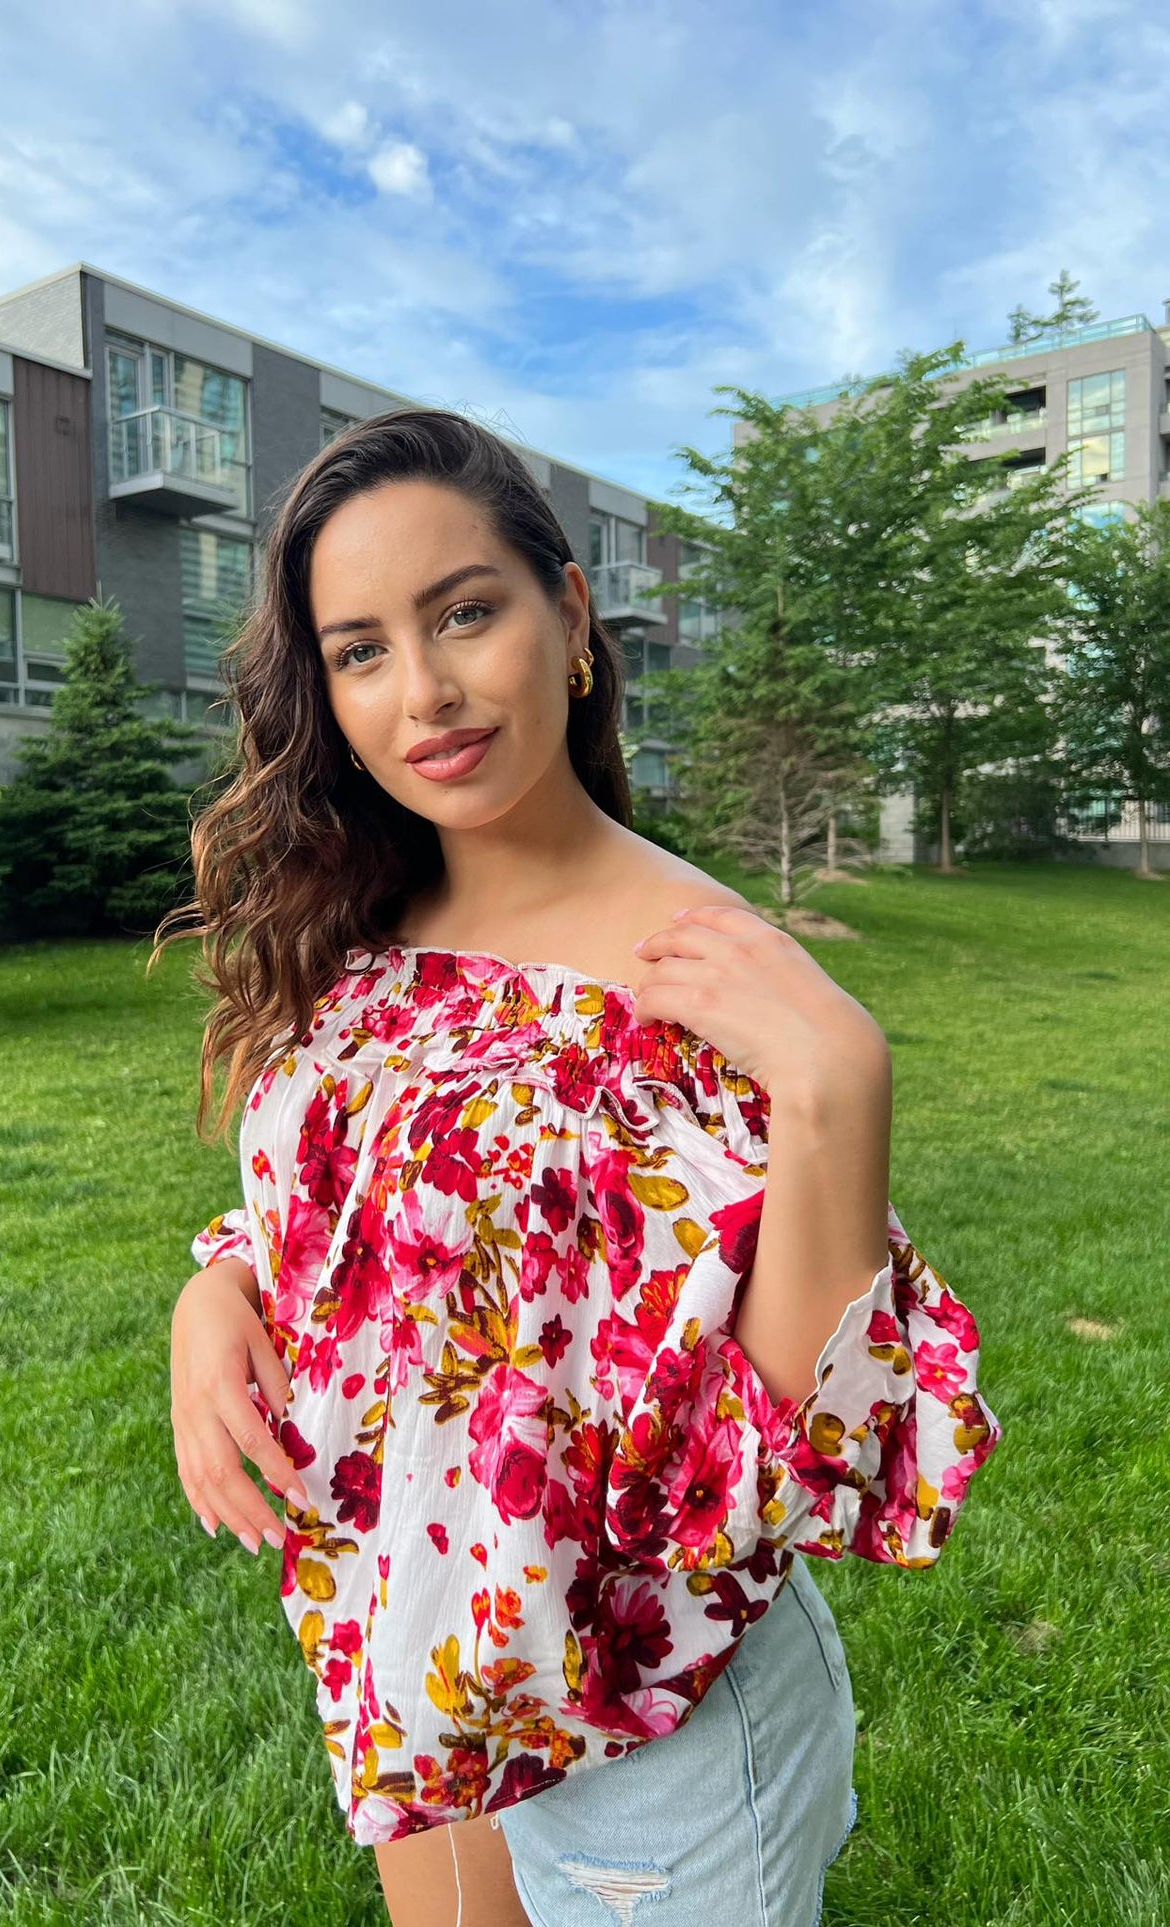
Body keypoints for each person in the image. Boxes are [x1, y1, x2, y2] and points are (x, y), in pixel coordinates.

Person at [158, 407, 1003, 1926]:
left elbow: (789, 1464)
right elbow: (360, 1214)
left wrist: (838, 1090)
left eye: (463, 612)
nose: (422, 692)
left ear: (570, 613)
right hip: (417, 1665)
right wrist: (218, 1286)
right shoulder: (365, 944)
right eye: (358, 650)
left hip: (642, 1717)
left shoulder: (690, 975)